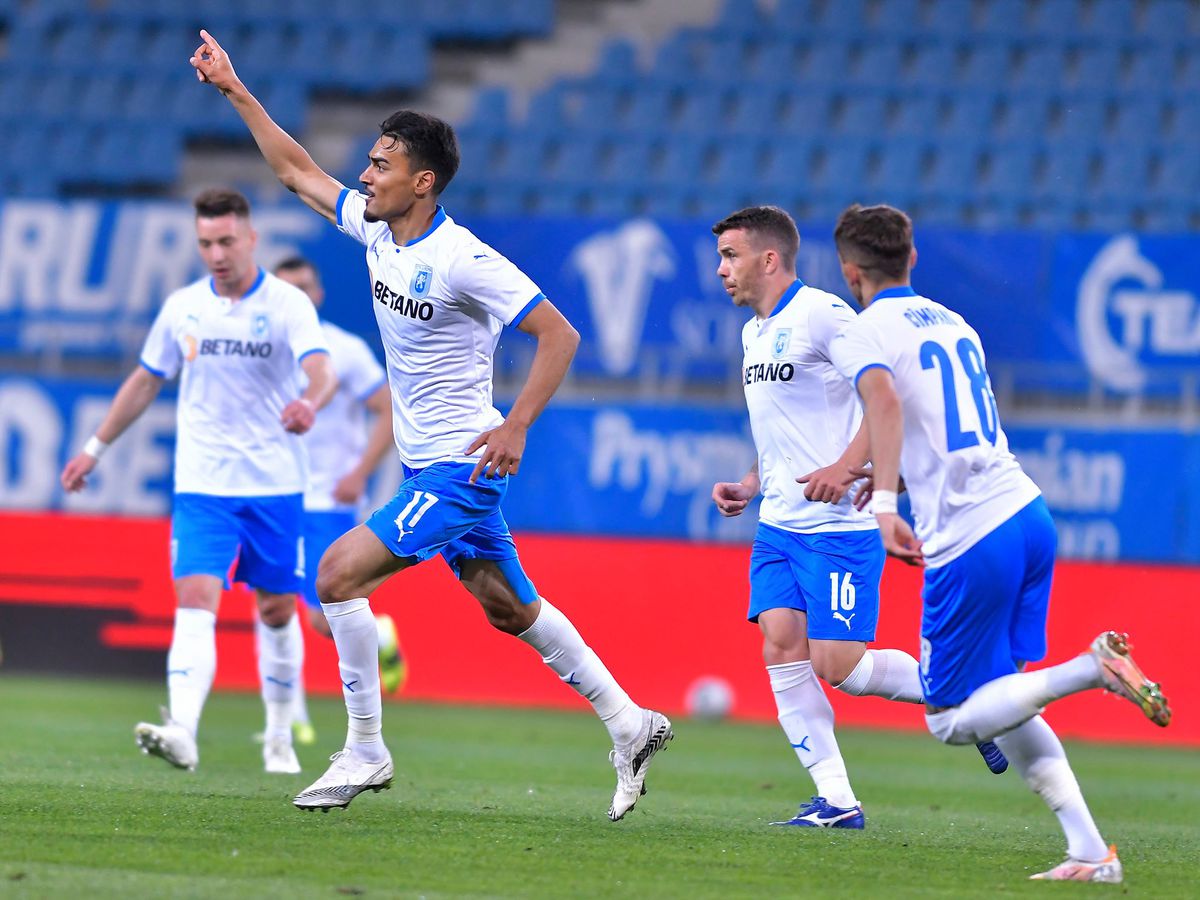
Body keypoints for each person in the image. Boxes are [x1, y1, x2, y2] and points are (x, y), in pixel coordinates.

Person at [190, 30, 672, 820]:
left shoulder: (464, 260)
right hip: (428, 468)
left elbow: (559, 334)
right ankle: (630, 722)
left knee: (337, 576)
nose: (364, 174)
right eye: (368, 161)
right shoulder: (378, 231)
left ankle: (365, 750)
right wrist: (235, 89)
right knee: (508, 607)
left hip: (461, 465)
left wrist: (516, 426)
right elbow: (294, 171)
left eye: (379, 165)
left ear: (421, 182)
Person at [828, 203, 1171, 882]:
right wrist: (878, 470)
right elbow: (932, 421)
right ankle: (1090, 852)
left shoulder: (867, 329)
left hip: (970, 538)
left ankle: (1092, 670)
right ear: (913, 259)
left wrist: (886, 502)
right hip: (1026, 513)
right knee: (1004, 698)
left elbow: (886, 406)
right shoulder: (956, 323)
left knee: (950, 719)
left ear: (848, 271)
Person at [709, 206, 1006, 830]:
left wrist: (847, 469)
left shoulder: (823, 314)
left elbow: (882, 398)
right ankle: (837, 801)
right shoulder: (753, 334)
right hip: (780, 526)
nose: (721, 270)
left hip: (838, 528)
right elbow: (787, 432)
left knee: (837, 665)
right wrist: (751, 482)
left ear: (770, 259)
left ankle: (967, 691)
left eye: (731, 256)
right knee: (780, 646)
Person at [60, 188, 337, 776]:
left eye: (227, 241)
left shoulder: (287, 304)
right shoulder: (184, 306)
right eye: (206, 243)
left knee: (277, 611)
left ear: (251, 238)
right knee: (195, 598)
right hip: (203, 485)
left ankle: (280, 734)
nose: (216, 253)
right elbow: (144, 381)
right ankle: (183, 730)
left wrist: (309, 403)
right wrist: (94, 448)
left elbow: (321, 370)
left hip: (274, 485)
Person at [267, 257, 407, 748]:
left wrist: (360, 472)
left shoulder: (343, 351)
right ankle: (286, 718)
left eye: (305, 286)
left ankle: (379, 637)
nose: (297, 296)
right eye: (287, 289)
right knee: (279, 605)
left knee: (319, 613)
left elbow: (388, 407)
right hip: (275, 495)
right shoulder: (266, 349)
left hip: (327, 497)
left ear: (319, 293)